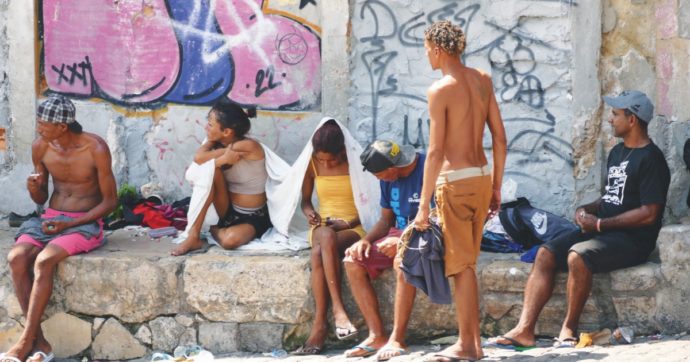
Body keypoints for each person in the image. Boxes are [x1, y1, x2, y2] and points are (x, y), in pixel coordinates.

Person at [487, 90, 670, 349]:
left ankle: (568, 329)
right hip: (602, 231)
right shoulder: (618, 152)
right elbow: (610, 198)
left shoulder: (652, 159)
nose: (610, 120)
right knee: (544, 253)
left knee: (578, 256)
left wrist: (598, 225)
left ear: (632, 120)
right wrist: (587, 209)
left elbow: (649, 213)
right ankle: (524, 330)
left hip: (633, 240)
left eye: (615, 115)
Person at [412, 20, 507, 361]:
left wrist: (423, 205)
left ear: (437, 49)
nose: (426, 56)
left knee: (461, 267)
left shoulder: (440, 90)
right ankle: (474, 344)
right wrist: (496, 185)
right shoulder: (482, 79)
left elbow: (436, 152)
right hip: (481, 179)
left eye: (426, 49)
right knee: (467, 262)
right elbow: (499, 137)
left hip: (454, 183)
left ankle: (468, 346)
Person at [3, 96, 117, 362]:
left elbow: (111, 202)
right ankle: (39, 340)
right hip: (50, 218)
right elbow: (41, 199)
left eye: (44, 124)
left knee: (44, 261)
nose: (39, 128)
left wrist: (72, 223)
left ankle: (24, 342)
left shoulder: (95, 148)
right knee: (16, 258)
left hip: (84, 222)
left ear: (62, 126)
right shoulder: (40, 147)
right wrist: (34, 189)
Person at [342, 140, 429, 360]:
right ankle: (377, 335)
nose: (379, 180)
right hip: (397, 235)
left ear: (393, 168)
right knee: (352, 260)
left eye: (380, 176)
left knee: (402, 261)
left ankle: (397, 339)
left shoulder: (429, 168)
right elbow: (386, 219)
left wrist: (401, 240)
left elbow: (438, 219)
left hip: (426, 236)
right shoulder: (389, 179)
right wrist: (365, 240)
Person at [292, 120, 366, 355]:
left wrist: (350, 222)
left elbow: (372, 203)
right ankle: (338, 312)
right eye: (321, 159)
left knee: (319, 250)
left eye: (331, 159)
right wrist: (310, 213)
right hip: (323, 226)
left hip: (354, 227)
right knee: (324, 235)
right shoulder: (312, 165)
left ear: (342, 151)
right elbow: (305, 202)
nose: (326, 163)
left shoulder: (358, 163)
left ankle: (322, 323)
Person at [171, 100, 270, 255]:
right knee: (211, 170)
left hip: (254, 215)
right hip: (227, 210)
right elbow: (198, 161)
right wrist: (218, 154)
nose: (206, 127)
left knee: (229, 241)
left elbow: (200, 157)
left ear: (227, 132)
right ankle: (193, 236)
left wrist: (215, 153)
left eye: (210, 125)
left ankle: (213, 229)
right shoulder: (217, 144)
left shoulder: (249, 146)